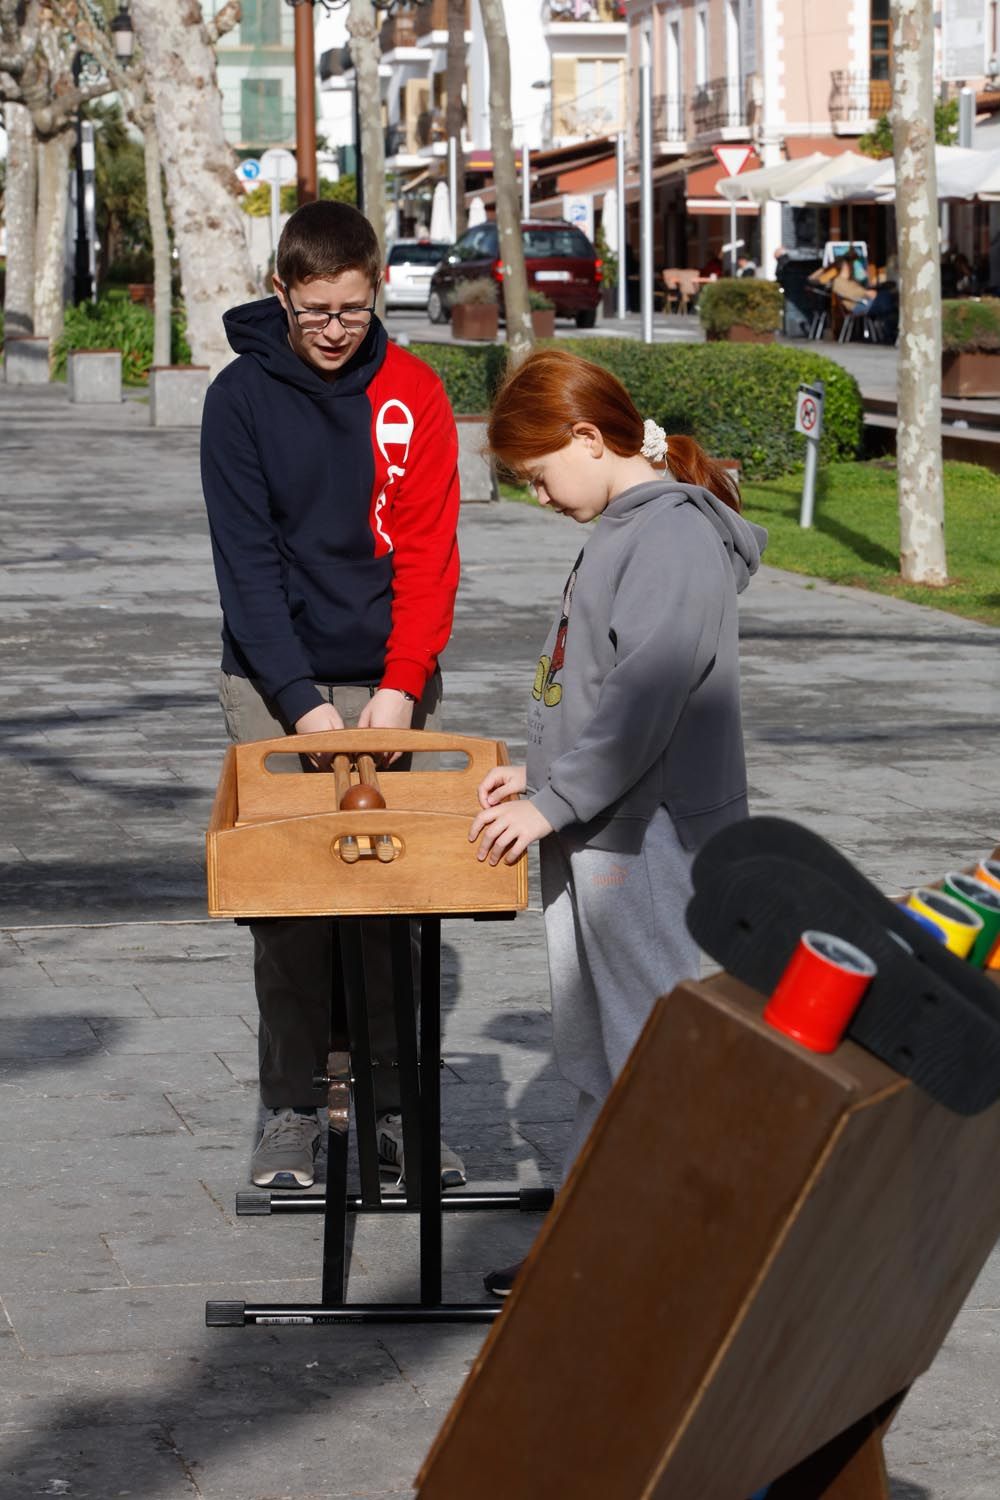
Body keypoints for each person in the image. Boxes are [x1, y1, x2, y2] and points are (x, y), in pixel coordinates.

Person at [468, 349, 767, 1296]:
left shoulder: (671, 537)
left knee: (652, 1049)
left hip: (647, 840)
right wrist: (541, 772)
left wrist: (550, 801)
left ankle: (679, 1258)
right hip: (604, 829)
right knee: (603, 1050)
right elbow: (600, 691)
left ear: (589, 439)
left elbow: (645, 699)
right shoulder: (632, 526)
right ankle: (600, 1248)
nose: (541, 497)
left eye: (538, 475)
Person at [201, 200, 465, 1192]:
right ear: (282, 292)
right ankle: (292, 1105)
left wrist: (398, 691)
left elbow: (432, 554)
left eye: (352, 309)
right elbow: (248, 568)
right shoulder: (238, 401)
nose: (333, 330)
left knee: (392, 898)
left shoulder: (413, 392)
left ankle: (400, 1108)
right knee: (291, 901)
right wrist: (304, 707)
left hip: (389, 671)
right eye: (314, 310)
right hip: (274, 681)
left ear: (375, 290)